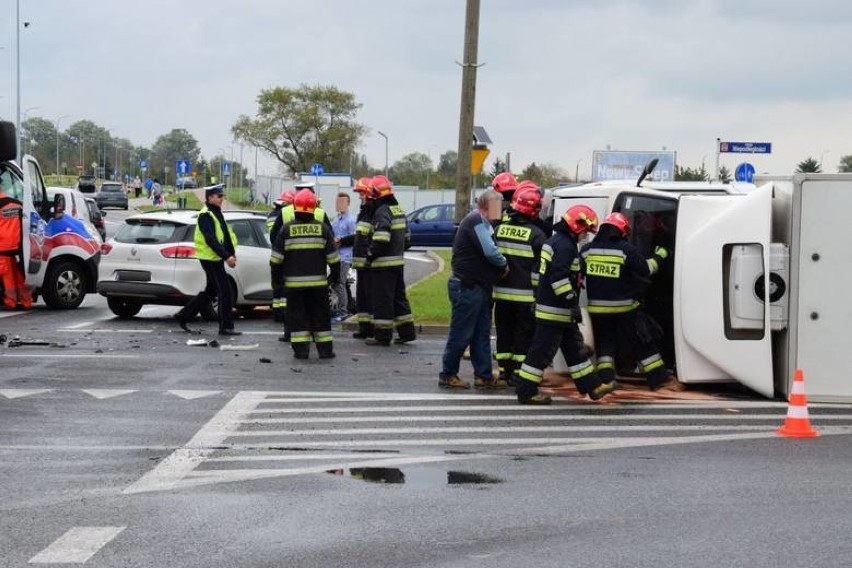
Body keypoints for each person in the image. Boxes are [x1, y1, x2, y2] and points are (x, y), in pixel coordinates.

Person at [514, 205, 618, 405]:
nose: (585, 236)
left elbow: (537, 274)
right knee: (540, 354)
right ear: (577, 226)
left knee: (575, 350)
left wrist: (540, 297)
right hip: (555, 312)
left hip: (555, 311)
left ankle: (593, 387)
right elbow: (558, 278)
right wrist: (571, 300)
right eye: (585, 231)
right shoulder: (565, 246)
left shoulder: (555, 241)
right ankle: (526, 391)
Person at [580, 212, 685, 392]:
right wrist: (660, 255)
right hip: (624, 308)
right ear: (621, 231)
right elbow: (646, 269)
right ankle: (660, 379)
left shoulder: (587, 250)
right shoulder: (625, 249)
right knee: (642, 341)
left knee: (605, 344)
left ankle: (606, 380)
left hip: (597, 309)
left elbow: (579, 274)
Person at [438, 189, 508, 389]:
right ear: (488, 206)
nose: (501, 210)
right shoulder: (475, 221)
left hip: (478, 287)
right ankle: (447, 374)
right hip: (467, 288)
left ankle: (483, 375)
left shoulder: (484, 223)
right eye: (499, 206)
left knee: (480, 334)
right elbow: (490, 251)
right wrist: (503, 265)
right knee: (461, 334)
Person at [270, 189, 340, 360]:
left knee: (298, 319)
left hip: (294, 287)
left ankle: (301, 352)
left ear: (295, 208)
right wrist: (334, 278)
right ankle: (325, 351)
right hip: (318, 286)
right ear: (314, 208)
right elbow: (334, 259)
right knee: (321, 318)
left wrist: (278, 282)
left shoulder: (286, 230)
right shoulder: (323, 228)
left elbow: (276, 260)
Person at [493, 182, 547, 387]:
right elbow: (539, 271)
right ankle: (518, 374)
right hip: (525, 298)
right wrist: (538, 295)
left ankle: (505, 372)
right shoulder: (537, 235)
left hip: (500, 295)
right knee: (523, 336)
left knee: (504, 334)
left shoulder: (498, 230)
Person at [174, 184, 241, 336]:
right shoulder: (206, 215)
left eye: (222, 196)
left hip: (214, 257)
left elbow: (224, 234)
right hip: (209, 258)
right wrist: (226, 256)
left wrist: (231, 253)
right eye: (219, 196)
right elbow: (210, 239)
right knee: (224, 291)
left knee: (211, 291)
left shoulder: (216, 212)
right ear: (210, 197)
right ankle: (226, 326)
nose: (222, 199)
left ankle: (183, 315)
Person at [365, 175, 416, 346]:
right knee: (399, 298)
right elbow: (408, 239)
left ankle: (383, 335)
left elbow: (381, 238)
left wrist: (370, 255)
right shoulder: (398, 210)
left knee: (383, 300)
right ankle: (407, 332)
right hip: (397, 264)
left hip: (383, 265)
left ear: (375, 195)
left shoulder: (382, 211)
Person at [349, 177, 375, 339]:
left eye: (361, 194)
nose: (360, 197)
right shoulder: (365, 213)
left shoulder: (373, 213)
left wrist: (369, 257)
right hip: (362, 264)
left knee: (370, 297)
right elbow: (359, 236)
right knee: (362, 298)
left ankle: (371, 329)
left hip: (369, 263)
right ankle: (364, 328)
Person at [268, 189, 297, 328]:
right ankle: (283, 314)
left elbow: (272, 235)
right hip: (286, 254)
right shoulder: (286, 214)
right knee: (285, 287)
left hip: (275, 254)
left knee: (277, 285)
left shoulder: (272, 214)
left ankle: (277, 312)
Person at [0, 185, 32, 309]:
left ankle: (11, 301)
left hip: (2, 247)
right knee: (20, 274)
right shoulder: (17, 204)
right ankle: (26, 301)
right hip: (19, 246)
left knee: (7, 277)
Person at [330, 191, 357, 322]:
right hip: (336, 256)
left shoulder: (351, 220)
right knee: (342, 284)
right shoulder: (336, 219)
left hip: (345, 257)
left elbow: (355, 238)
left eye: (342, 202)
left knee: (338, 283)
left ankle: (343, 311)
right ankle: (348, 308)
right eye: (337, 202)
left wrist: (340, 240)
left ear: (348, 204)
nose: (339, 204)